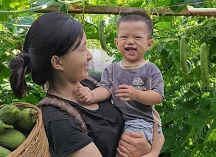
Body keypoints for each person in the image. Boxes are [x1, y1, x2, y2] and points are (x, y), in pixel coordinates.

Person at [8, 12, 164, 157]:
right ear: (57, 62)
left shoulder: (92, 83)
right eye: (83, 49)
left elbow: (144, 113)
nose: (89, 55)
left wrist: (150, 143)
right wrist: (152, 152)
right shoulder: (58, 120)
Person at [76, 11, 164, 148]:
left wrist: (137, 94)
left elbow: (158, 96)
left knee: (125, 149)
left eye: (137, 37)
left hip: (143, 121)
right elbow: (105, 89)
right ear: (116, 42)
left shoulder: (151, 69)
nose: (130, 41)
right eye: (124, 37)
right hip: (119, 120)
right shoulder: (112, 69)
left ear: (149, 44)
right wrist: (92, 95)